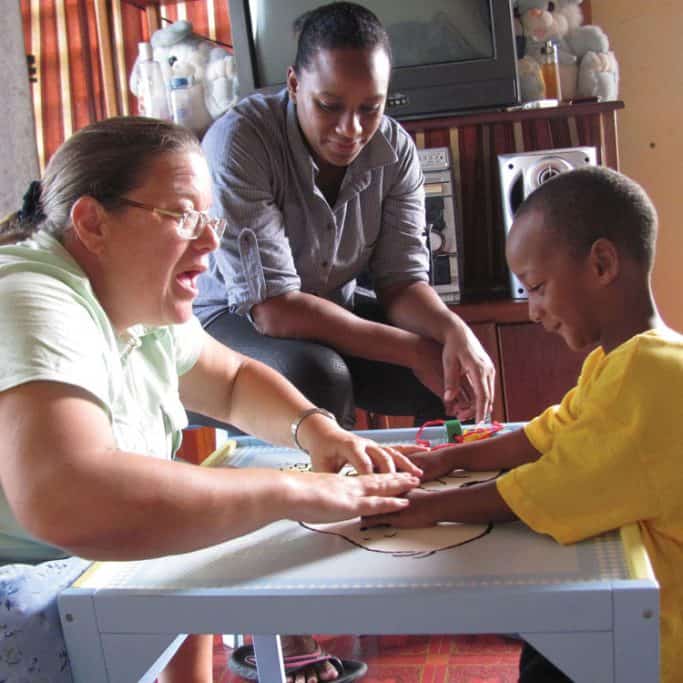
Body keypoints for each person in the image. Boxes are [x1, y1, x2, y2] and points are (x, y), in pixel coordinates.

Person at [0, 116, 424, 683]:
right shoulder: (32, 298)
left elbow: (229, 381)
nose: (211, 240)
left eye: (210, 216)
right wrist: (294, 490)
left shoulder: (133, 297)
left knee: (184, 512)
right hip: (24, 586)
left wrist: (320, 432)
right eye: (182, 216)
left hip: (85, 569)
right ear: (92, 222)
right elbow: (70, 497)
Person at [366, 166, 683, 683]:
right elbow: (545, 435)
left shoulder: (648, 375)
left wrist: (416, 507)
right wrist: (449, 458)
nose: (533, 310)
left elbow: (535, 491)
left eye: (536, 287)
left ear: (602, 263)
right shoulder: (624, 361)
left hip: (657, 646)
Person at [194, 1, 496, 431]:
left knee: (452, 373)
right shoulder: (240, 141)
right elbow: (275, 311)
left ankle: (444, 487)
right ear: (295, 83)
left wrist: (453, 333)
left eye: (370, 108)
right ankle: (349, 494)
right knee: (317, 375)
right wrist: (412, 350)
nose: (351, 130)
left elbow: (403, 284)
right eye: (330, 106)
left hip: (332, 310)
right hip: (228, 317)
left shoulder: (396, 150)